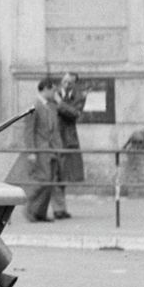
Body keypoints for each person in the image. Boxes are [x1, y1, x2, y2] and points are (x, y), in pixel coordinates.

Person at [10, 78, 64, 222]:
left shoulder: (51, 106)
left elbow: (55, 129)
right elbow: (29, 131)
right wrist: (31, 151)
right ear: (46, 89)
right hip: (40, 149)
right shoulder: (34, 106)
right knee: (43, 180)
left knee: (50, 182)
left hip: (51, 149)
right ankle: (29, 207)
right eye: (53, 90)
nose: (54, 93)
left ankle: (40, 212)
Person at [53, 71, 86, 215]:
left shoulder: (79, 96)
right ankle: (57, 208)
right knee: (54, 173)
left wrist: (60, 104)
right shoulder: (52, 92)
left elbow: (75, 113)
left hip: (68, 138)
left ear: (74, 84)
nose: (66, 85)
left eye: (70, 82)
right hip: (54, 136)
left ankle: (60, 208)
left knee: (63, 174)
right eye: (64, 81)